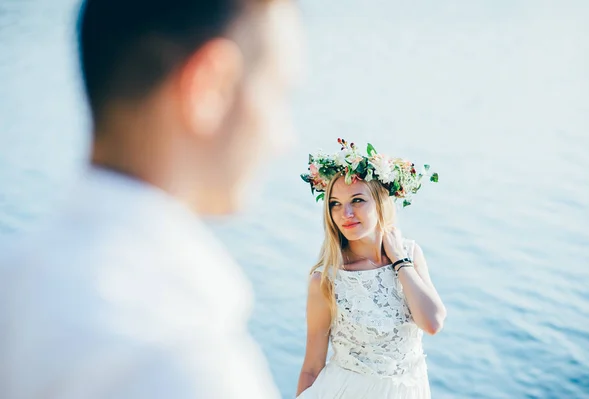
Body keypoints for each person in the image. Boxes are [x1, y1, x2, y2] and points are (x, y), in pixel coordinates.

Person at [0, 0, 304, 398]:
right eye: (277, 93)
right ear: (209, 87)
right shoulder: (184, 358)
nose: (284, 138)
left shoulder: (16, 280)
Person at [296, 139, 446, 398]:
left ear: (380, 201)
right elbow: (311, 367)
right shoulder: (326, 280)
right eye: (335, 203)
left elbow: (432, 322)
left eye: (357, 200)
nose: (346, 213)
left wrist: (399, 260)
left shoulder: (410, 254)